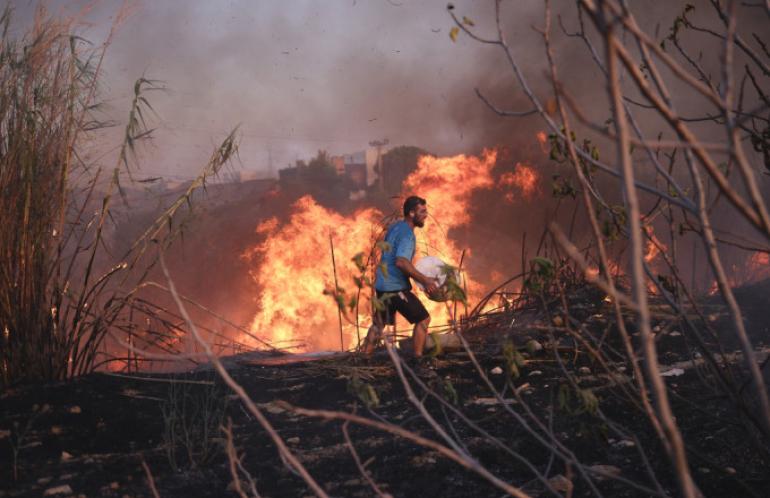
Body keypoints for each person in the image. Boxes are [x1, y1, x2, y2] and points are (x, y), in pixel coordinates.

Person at [362, 195, 439, 357]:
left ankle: (364, 356)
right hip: (395, 287)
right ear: (411, 213)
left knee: (379, 324)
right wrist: (425, 280)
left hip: (382, 284)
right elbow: (401, 262)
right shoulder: (407, 235)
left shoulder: (396, 227)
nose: (426, 215)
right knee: (423, 319)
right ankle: (418, 359)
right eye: (422, 211)